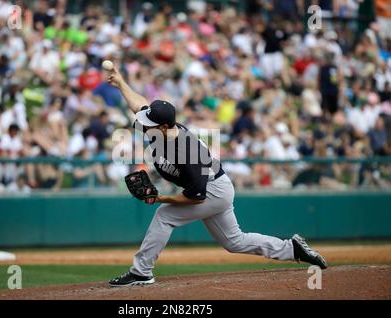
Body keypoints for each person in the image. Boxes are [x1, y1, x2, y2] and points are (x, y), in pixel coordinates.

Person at [106, 66, 327, 287]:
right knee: (234, 241)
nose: (144, 125)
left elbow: (197, 197)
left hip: (213, 190)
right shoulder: (159, 129)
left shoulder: (186, 151)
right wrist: (121, 82)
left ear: (164, 127)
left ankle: (141, 271)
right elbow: (139, 104)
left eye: (150, 123)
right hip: (215, 184)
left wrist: (161, 198)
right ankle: (291, 248)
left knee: (164, 215)